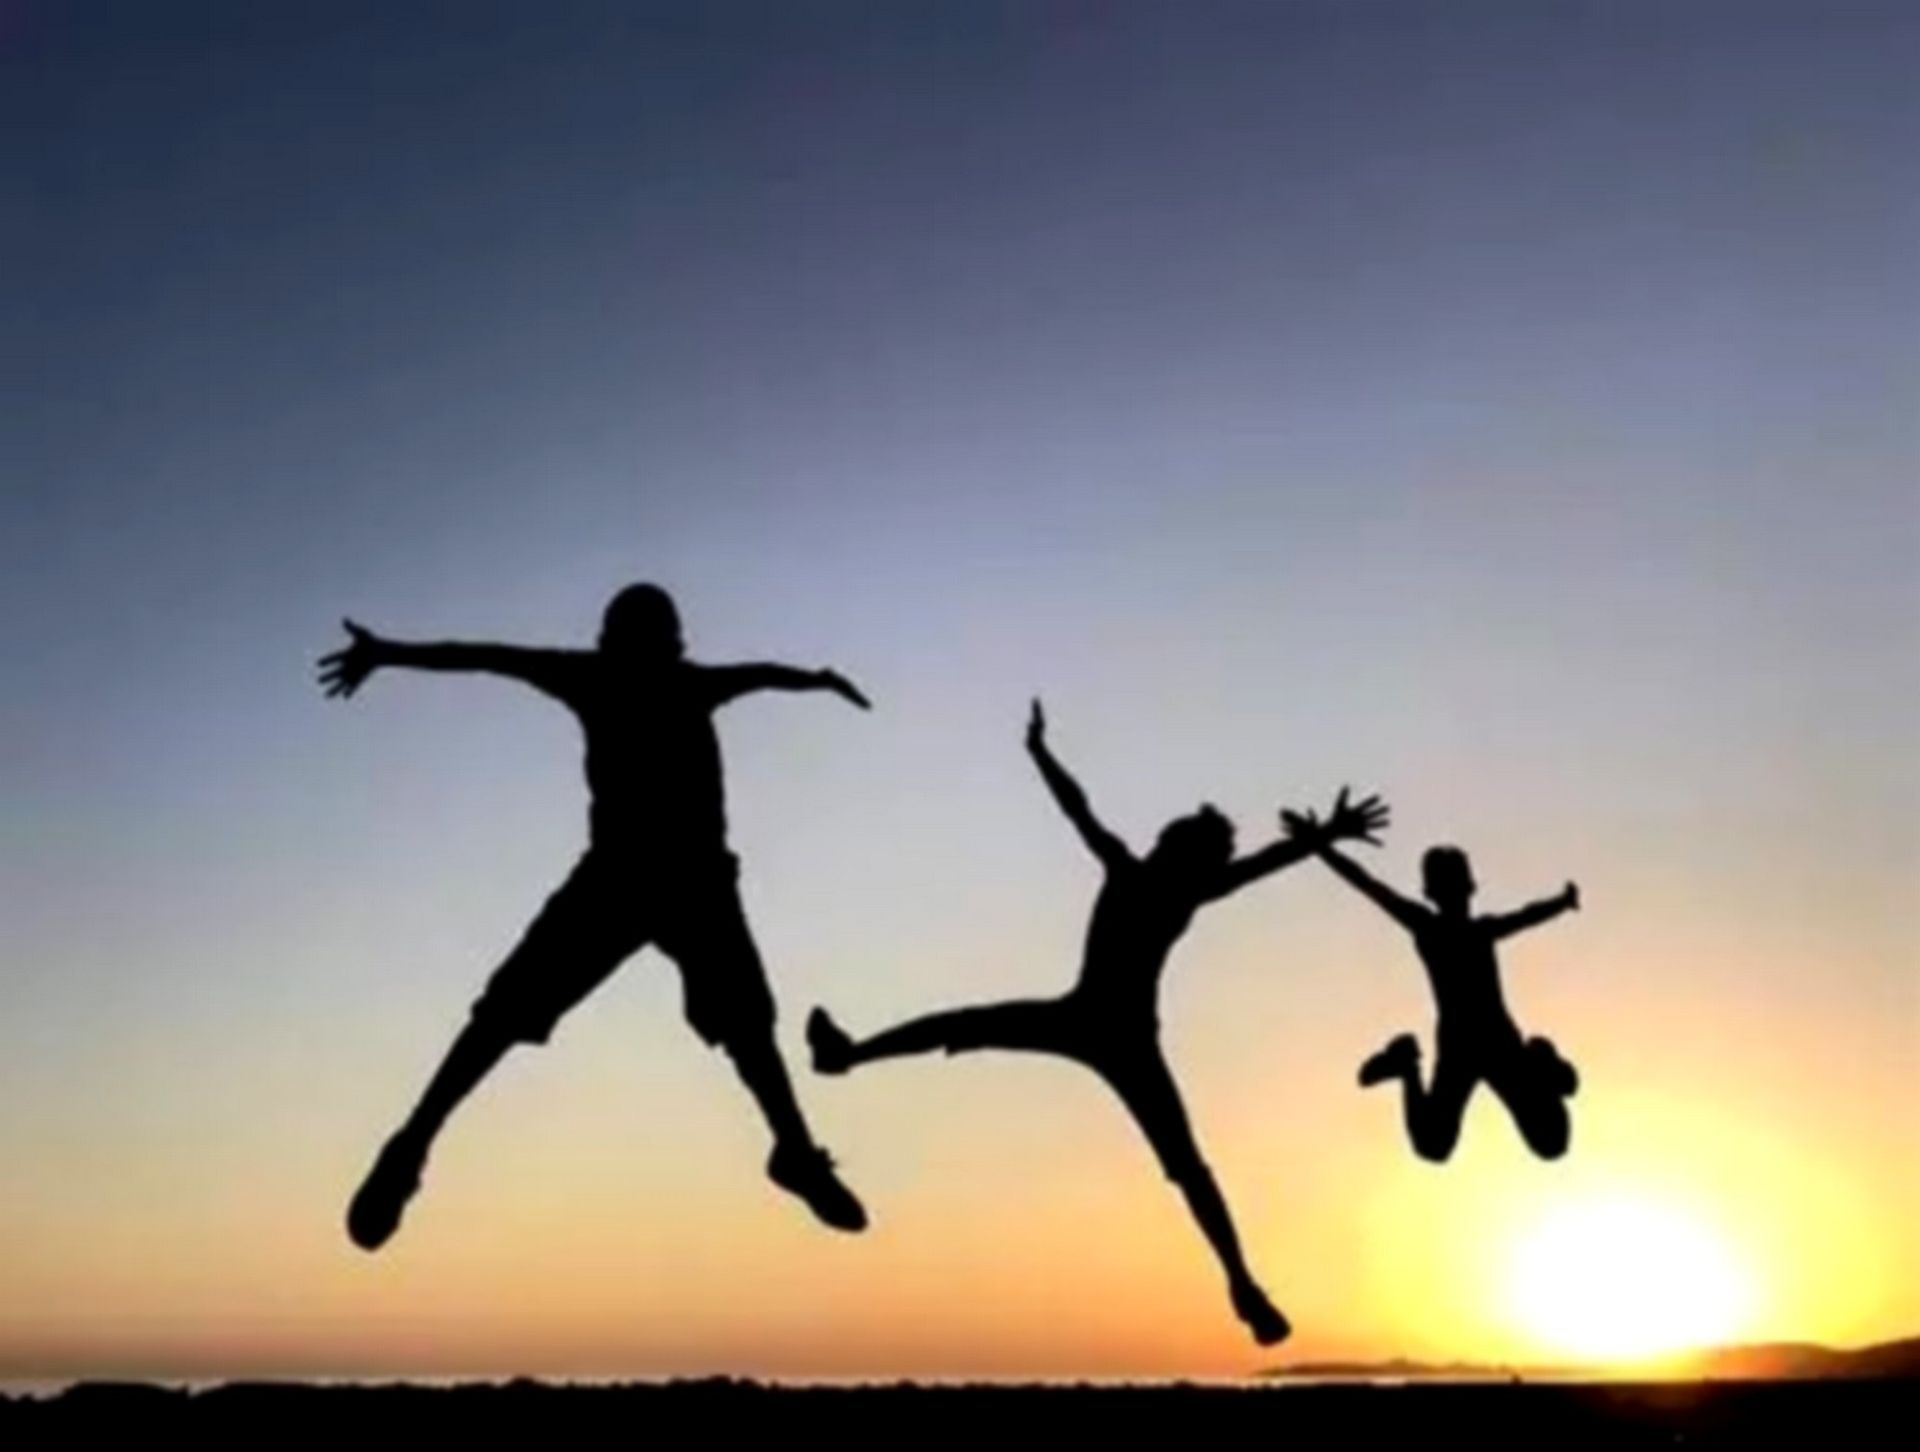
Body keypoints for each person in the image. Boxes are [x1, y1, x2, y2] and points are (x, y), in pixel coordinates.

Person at [806, 700, 1387, 1346]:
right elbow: (1077, 808)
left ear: (1189, 858)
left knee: (1186, 1165)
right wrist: (1040, 753)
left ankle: (1244, 1286)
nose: (1161, 846)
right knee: (966, 1023)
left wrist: (1327, 833)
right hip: (1084, 1018)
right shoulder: (1140, 872)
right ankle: (846, 1055)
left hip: (1124, 1039)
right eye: (1167, 840)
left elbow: (1259, 863)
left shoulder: (1181, 888)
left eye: (1176, 845)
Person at [319, 583, 870, 1250]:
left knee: (747, 1026)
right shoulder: (615, 678)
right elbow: (486, 656)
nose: (644, 661)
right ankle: (410, 1145)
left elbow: (760, 675)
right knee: (507, 1012)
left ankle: (795, 1153)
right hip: (622, 881)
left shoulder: (680, 682)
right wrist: (389, 652)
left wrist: (813, 679)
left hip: (691, 883)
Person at [1282, 812, 1581, 1163]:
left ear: (1467, 887)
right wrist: (1320, 846)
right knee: (1434, 1146)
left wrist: (1561, 903)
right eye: (1448, 885)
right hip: (1461, 1047)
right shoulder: (1435, 927)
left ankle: (1540, 1059)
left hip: (1497, 1042)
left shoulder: (1470, 929)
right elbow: (1368, 885)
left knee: (1552, 1142)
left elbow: (1527, 916)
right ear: (1444, 891)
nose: (1455, 894)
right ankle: (1406, 1066)